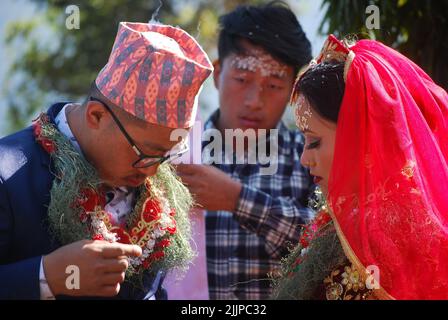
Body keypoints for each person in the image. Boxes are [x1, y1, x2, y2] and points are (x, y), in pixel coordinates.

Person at [0, 21, 213, 299]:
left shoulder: (153, 187)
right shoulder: (9, 174)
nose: (151, 171)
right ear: (96, 116)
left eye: (168, 155)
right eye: (145, 152)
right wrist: (47, 275)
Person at [272, 34, 448, 299]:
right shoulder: (342, 223)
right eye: (304, 141)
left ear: (359, 137)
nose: (304, 159)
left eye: (315, 142)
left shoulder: (401, 242)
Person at [177, 1, 315, 299]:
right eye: (242, 79)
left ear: (293, 90)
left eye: (275, 85)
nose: (255, 100)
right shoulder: (175, 152)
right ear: (216, 73)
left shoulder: (310, 158)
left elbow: (331, 243)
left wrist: (237, 200)